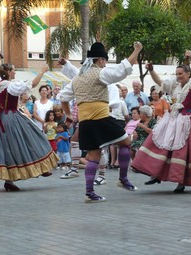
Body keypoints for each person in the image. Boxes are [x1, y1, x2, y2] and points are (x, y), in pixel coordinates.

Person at [59, 41, 143, 202]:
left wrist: (69, 115)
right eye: (105, 61)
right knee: (125, 142)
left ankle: (89, 192)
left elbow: (63, 98)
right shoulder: (100, 73)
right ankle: (122, 178)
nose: (105, 64)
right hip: (101, 118)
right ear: (100, 60)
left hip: (85, 123)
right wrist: (136, 51)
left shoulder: (76, 79)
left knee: (93, 156)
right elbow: (122, 69)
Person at [131, 50, 191, 193]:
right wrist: (151, 70)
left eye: (181, 74)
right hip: (172, 119)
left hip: (187, 121)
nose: (178, 76)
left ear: (188, 74)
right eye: (177, 74)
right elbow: (159, 82)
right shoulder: (175, 85)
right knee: (159, 143)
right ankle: (156, 173)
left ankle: (181, 181)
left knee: (181, 151)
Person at [0, 61, 59, 191]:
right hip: (11, 117)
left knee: (9, 147)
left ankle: (11, 179)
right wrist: (42, 72)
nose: (15, 72)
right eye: (13, 69)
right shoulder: (11, 85)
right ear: (9, 72)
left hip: (1, 118)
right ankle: (40, 166)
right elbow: (33, 84)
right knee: (32, 137)